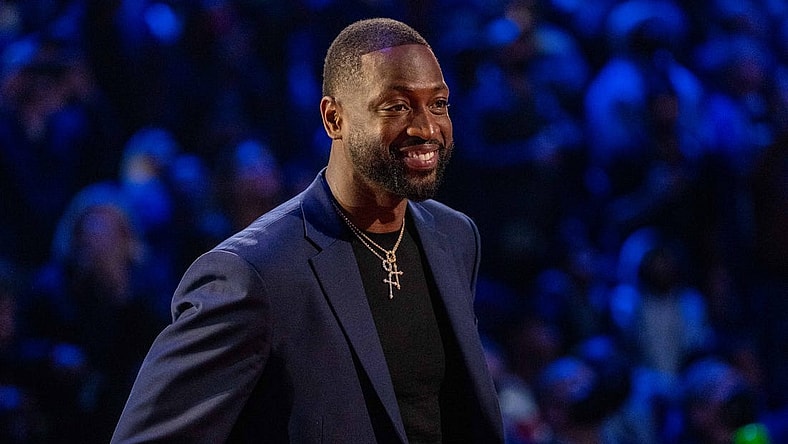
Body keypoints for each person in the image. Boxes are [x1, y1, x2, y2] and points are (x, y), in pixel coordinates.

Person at [111, 18, 504, 443]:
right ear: (334, 118)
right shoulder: (253, 272)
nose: (427, 128)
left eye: (438, 104)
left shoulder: (455, 236)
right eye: (396, 106)